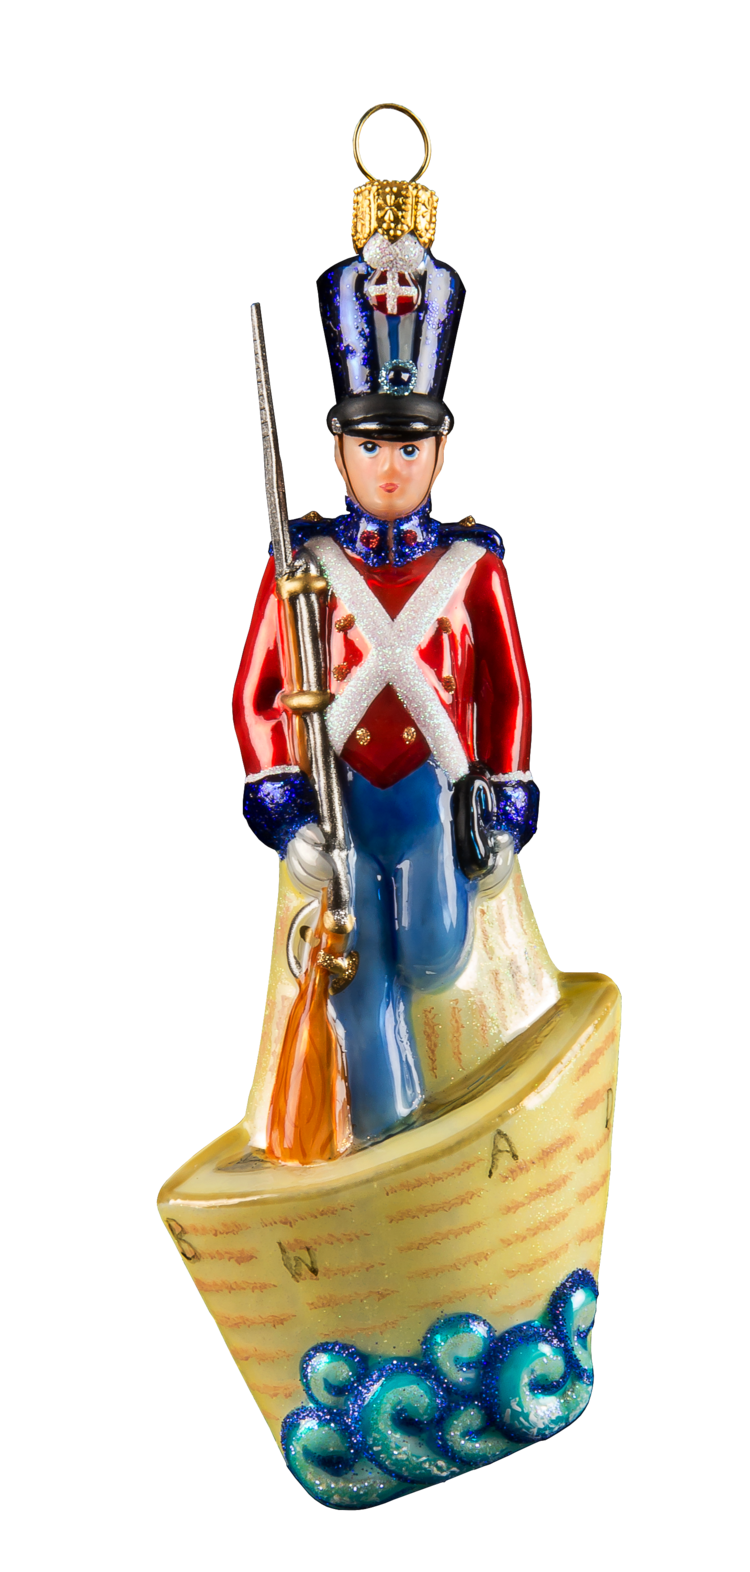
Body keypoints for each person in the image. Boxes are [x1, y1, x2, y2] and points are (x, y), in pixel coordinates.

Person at [233, 171, 538, 1147]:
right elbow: (258, 693)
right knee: (358, 972)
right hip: (344, 803)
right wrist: (286, 810)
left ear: (441, 450)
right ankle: (387, 1135)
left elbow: (505, 690)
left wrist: (506, 796)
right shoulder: (305, 564)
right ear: (338, 451)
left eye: (409, 446)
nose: (391, 465)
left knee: (440, 952)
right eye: (371, 446)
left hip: (432, 800)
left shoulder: (473, 566)